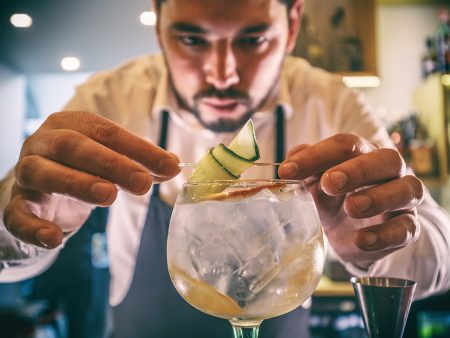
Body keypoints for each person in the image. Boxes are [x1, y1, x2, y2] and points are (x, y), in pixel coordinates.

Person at [1, 0, 450, 337]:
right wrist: (25, 225)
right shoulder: (109, 99)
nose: (222, 73)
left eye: (252, 40)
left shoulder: (330, 100)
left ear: (292, 25)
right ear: (158, 26)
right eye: (192, 40)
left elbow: (441, 253)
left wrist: (379, 245)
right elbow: (8, 251)